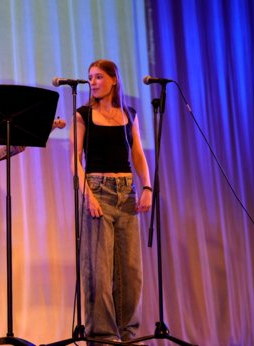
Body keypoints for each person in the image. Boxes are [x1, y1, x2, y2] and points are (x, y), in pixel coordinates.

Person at [71, 59, 152, 344]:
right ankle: (103, 337)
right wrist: (88, 196)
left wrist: (148, 187)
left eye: (99, 77)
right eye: (90, 77)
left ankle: (127, 334)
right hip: (98, 191)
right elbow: (74, 161)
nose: (93, 82)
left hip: (127, 193)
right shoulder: (83, 114)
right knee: (99, 272)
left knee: (131, 271)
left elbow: (139, 155)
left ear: (114, 80)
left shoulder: (129, 113)